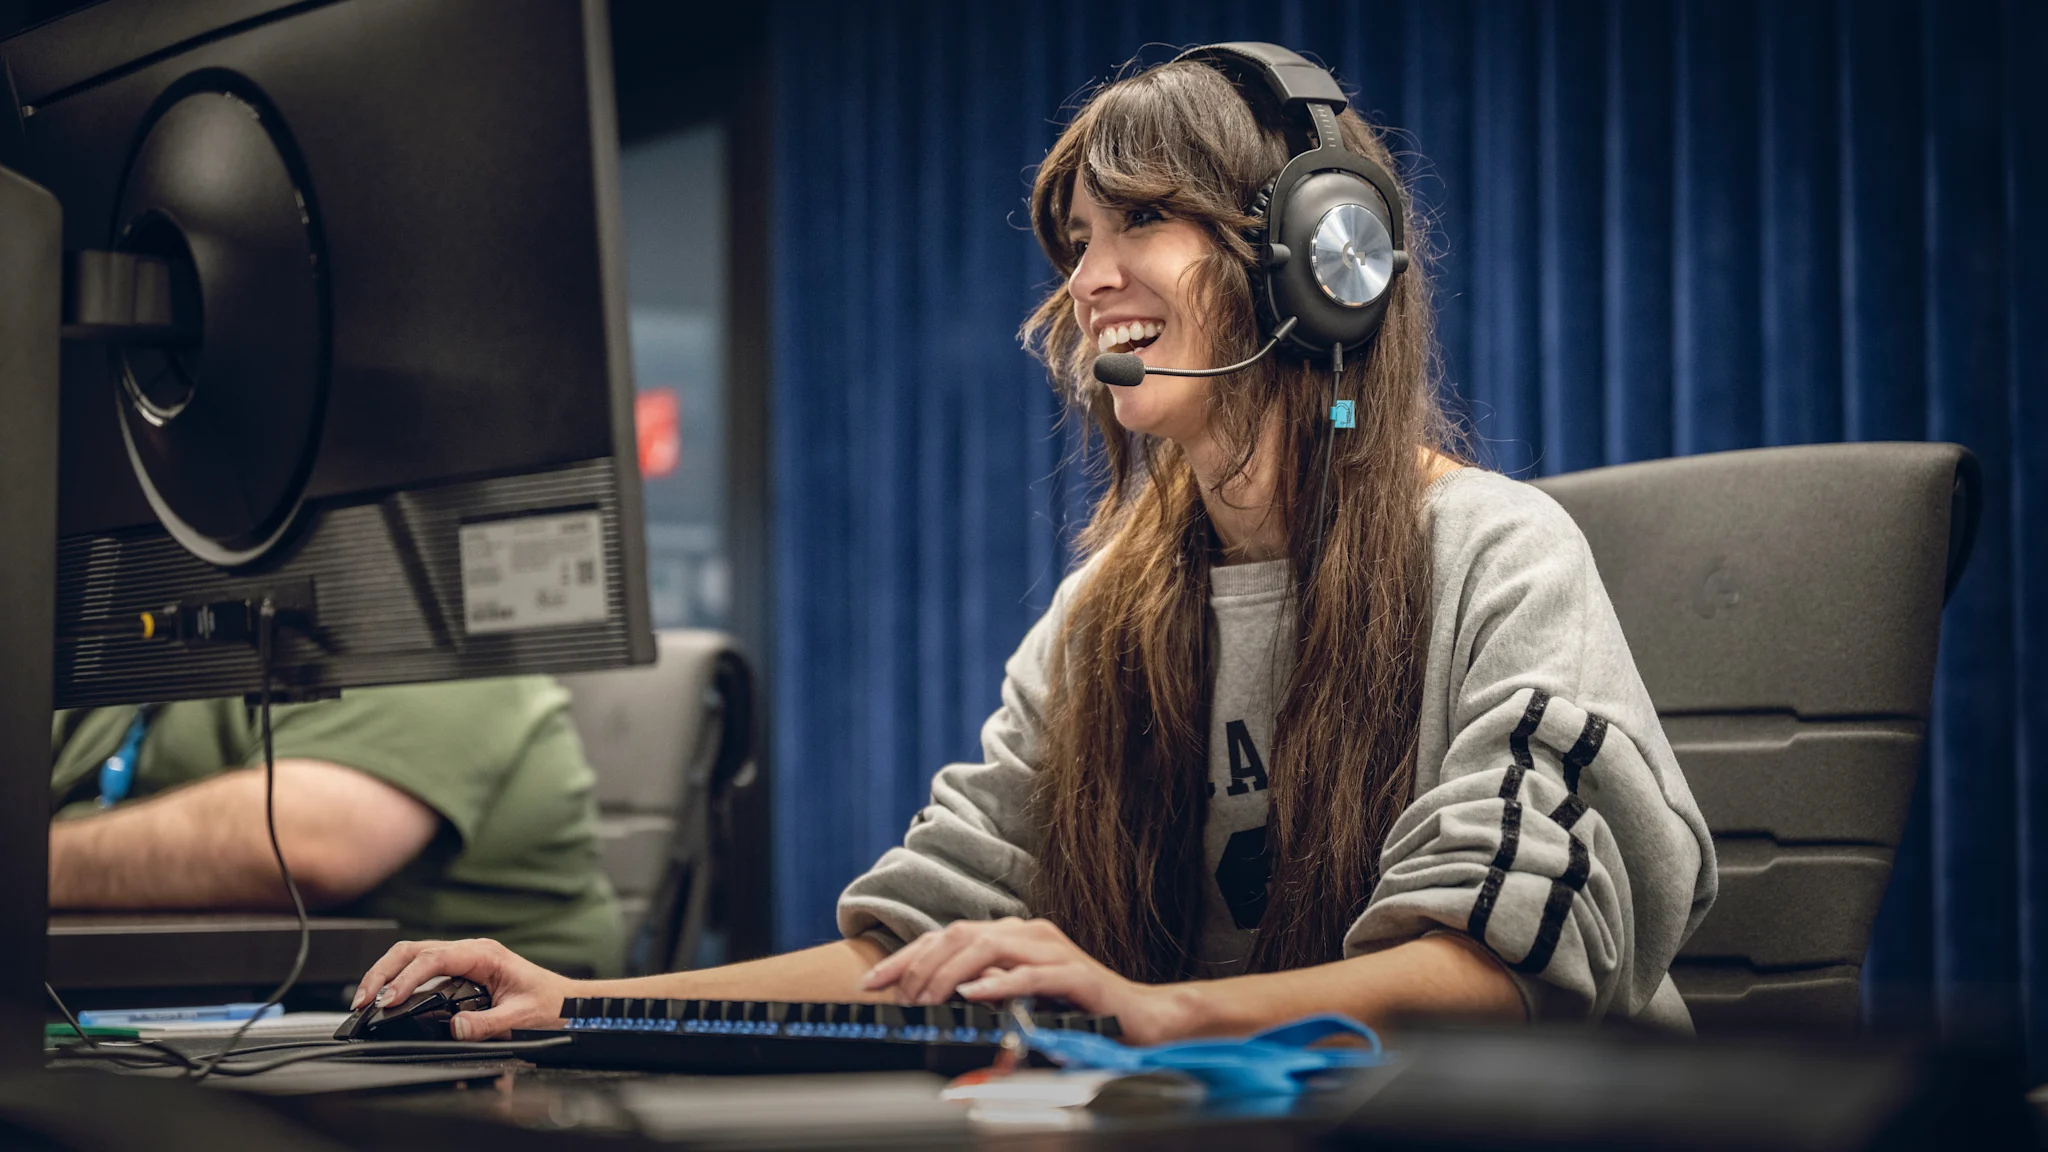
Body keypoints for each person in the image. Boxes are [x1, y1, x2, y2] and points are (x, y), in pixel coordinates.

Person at [350, 47, 1715, 1044]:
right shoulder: (1109, 609)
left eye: (1143, 219)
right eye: (1076, 240)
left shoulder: (1498, 557)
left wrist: (1157, 1014)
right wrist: (580, 1003)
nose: (1088, 277)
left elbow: (1502, 966)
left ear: (1318, 257)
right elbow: (912, 945)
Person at [50, 676, 624, 980]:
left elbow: (300, 843)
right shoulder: (130, 642)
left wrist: (31, 861)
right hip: (190, 1014)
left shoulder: (415, 621)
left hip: (463, 1060)